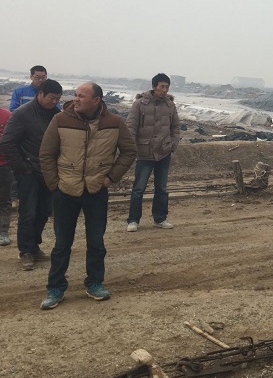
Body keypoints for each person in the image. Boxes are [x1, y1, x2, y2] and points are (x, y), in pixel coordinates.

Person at [38, 82, 136, 310]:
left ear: (96, 100)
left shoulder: (115, 122)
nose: (76, 99)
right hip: (65, 191)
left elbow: (129, 151)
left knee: (96, 241)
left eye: (82, 96)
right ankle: (55, 288)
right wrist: (55, 184)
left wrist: (110, 178)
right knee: (62, 243)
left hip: (96, 191)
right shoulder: (60, 120)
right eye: (75, 94)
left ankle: (94, 283)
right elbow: (46, 154)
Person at [0, 80, 63, 269]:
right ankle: (26, 251)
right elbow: (7, 143)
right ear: (40, 94)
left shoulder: (57, 115)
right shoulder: (22, 114)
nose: (54, 102)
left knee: (44, 211)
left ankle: (34, 246)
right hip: (28, 171)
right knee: (28, 212)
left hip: (49, 171)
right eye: (51, 98)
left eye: (57, 99)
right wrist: (21, 167)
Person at [126, 73, 181, 231]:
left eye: (167, 87)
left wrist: (173, 144)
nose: (164, 90)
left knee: (161, 188)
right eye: (162, 86)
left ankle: (160, 218)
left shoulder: (170, 105)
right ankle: (133, 220)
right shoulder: (139, 104)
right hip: (145, 152)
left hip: (164, 152)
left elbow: (175, 127)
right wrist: (132, 147)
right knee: (139, 188)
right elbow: (131, 127)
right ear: (154, 86)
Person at [0, 108, 11, 247]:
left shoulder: (7, 116)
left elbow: (11, 138)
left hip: (3, 164)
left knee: (4, 199)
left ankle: (3, 231)